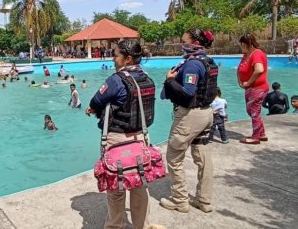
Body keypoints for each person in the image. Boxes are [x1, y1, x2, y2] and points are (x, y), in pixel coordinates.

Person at [85, 40, 156, 229]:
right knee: (139, 184)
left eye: (116, 55)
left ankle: (114, 226)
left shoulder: (117, 79)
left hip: (118, 139)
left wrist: (92, 108)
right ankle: (142, 224)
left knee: (116, 187)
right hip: (140, 137)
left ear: (128, 58)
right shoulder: (147, 78)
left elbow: (97, 99)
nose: (113, 58)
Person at [160, 28, 217, 213]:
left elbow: (188, 93)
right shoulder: (209, 61)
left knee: (174, 157)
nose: (181, 43)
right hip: (207, 113)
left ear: (194, 42)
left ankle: (180, 200)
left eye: (184, 40)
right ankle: (204, 201)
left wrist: (170, 81)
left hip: (190, 116)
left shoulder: (192, 65)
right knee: (203, 158)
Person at [237, 33, 269, 145]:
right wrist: (240, 81)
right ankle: (262, 134)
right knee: (252, 111)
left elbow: (259, 70)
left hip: (258, 88)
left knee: (254, 111)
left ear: (245, 44)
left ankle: (256, 137)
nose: (241, 47)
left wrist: (249, 82)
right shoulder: (246, 54)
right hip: (250, 88)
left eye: (241, 44)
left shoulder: (257, 54)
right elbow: (240, 69)